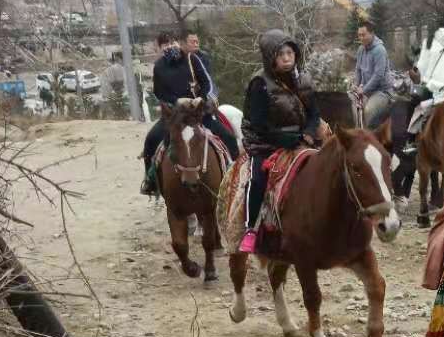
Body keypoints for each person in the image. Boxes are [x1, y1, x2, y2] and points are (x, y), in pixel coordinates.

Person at [239, 29, 328, 254]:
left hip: (301, 139)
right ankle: (251, 228)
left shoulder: (304, 79)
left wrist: (307, 133)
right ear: (271, 58)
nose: (287, 58)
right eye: (281, 54)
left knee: (330, 169)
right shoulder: (259, 83)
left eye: (290, 53)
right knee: (257, 178)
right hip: (265, 142)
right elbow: (259, 125)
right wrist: (290, 140)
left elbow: (314, 113)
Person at [140, 31, 237, 196]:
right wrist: (176, 101)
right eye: (165, 44)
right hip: (174, 115)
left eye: (172, 42)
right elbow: (159, 93)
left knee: (228, 137)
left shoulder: (192, 59)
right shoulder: (159, 67)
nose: (170, 47)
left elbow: (208, 84)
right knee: (151, 140)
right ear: (159, 47)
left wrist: (201, 98)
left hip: (198, 113)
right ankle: (151, 181)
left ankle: (234, 177)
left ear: (179, 42)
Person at [353, 19, 395, 130]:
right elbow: (357, 70)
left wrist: (364, 90)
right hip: (367, 90)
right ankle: (357, 135)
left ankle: (369, 140)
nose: (361, 38)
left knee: (368, 110)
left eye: (363, 35)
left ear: (372, 33)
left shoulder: (379, 50)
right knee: (351, 106)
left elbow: (378, 75)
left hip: (382, 91)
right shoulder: (361, 49)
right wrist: (356, 85)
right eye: (359, 35)